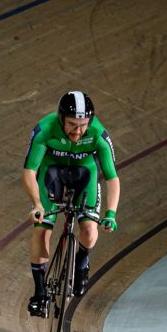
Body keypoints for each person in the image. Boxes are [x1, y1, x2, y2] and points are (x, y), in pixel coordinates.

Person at [22, 90, 120, 316]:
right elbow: (29, 171)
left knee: (88, 229)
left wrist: (111, 213)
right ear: (60, 118)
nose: (78, 131)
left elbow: (112, 177)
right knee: (41, 229)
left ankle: (82, 262)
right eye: (72, 124)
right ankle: (40, 292)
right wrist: (37, 204)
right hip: (52, 173)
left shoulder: (98, 134)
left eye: (83, 125)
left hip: (85, 175)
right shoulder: (44, 130)